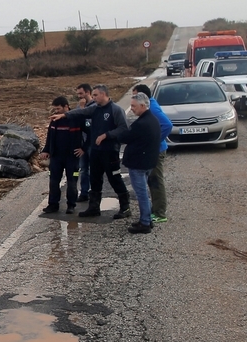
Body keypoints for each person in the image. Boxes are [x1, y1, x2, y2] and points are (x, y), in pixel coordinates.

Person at [58, 84, 130, 218]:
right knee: (95, 179)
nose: (93, 98)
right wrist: (64, 115)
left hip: (110, 151)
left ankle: (125, 207)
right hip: (96, 152)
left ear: (103, 94)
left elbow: (123, 129)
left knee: (114, 178)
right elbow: (80, 112)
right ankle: (94, 207)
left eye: (96, 95)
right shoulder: (94, 109)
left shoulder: (116, 110)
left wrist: (106, 135)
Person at [100, 92, 161, 233]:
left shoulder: (142, 123)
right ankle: (147, 219)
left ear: (143, 105)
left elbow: (125, 137)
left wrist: (113, 133)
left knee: (141, 194)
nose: (131, 108)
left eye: (133, 106)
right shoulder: (153, 120)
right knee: (143, 192)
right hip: (148, 162)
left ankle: (145, 223)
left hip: (139, 164)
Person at [132, 83, 172, 223]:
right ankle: (155, 210)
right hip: (154, 150)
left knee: (156, 181)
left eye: (135, 95)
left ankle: (160, 213)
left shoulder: (153, 109)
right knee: (151, 180)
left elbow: (167, 125)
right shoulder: (151, 105)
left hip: (157, 150)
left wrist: (155, 141)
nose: (133, 98)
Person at [38, 96, 80, 214]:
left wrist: (83, 148)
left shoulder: (75, 118)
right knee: (53, 181)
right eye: (54, 109)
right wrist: (46, 150)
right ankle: (53, 205)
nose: (56, 111)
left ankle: (71, 205)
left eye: (58, 109)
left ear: (66, 107)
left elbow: (90, 133)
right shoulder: (54, 120)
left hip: (72, 157)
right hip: (56, 156)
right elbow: (50, 136)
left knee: (72, 182)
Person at [72, 83, 93, 200]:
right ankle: (84, 192)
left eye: (81, 93)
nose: (79, 96)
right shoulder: (79, 106)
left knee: (94, 169)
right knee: (84, 169)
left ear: (87, 92)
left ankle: (94, 192)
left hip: (92, 143)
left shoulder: (94, 106)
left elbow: (89, 125)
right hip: (82, 143)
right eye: (78, 94)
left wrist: (82, 110)